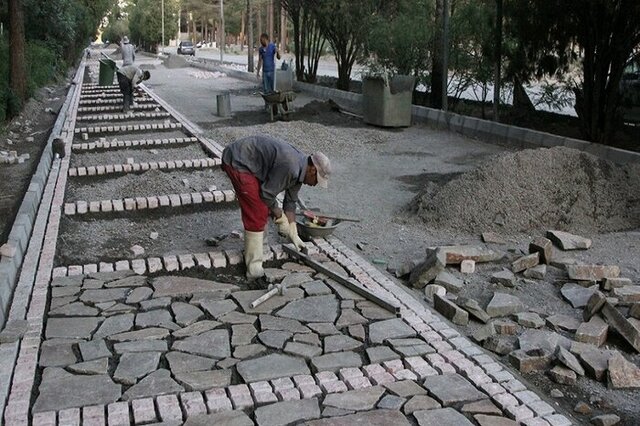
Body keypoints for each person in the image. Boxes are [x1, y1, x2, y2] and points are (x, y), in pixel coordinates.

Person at [221, 135, 331, 284]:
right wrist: (279, 216)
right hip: (239, 161)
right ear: (312, 170)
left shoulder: (300, 172)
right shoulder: (291, 166)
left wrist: (293, 232)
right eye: (317, 180)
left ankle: (259, 249)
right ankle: (254, 271)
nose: (315, 184)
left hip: (252, 164)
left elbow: (290, 202)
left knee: (263, 209)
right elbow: (267, 194)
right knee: (257, 212)